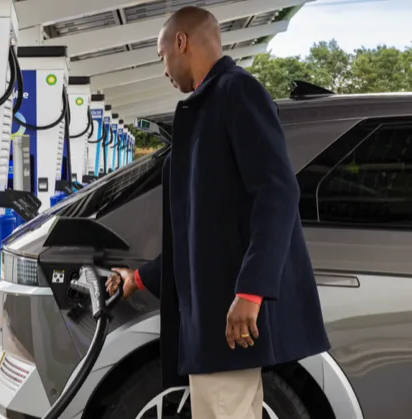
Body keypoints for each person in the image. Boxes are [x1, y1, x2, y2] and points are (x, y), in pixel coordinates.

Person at [106, 6, 330, 419]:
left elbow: (278, 193)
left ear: (181, 42)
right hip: (214, 315)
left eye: (161, 57)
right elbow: (201, 229)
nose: (163, 70)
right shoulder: (207, 107)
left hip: (229, 316)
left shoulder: (237, 92)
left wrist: (251, 290)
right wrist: (139, 278)